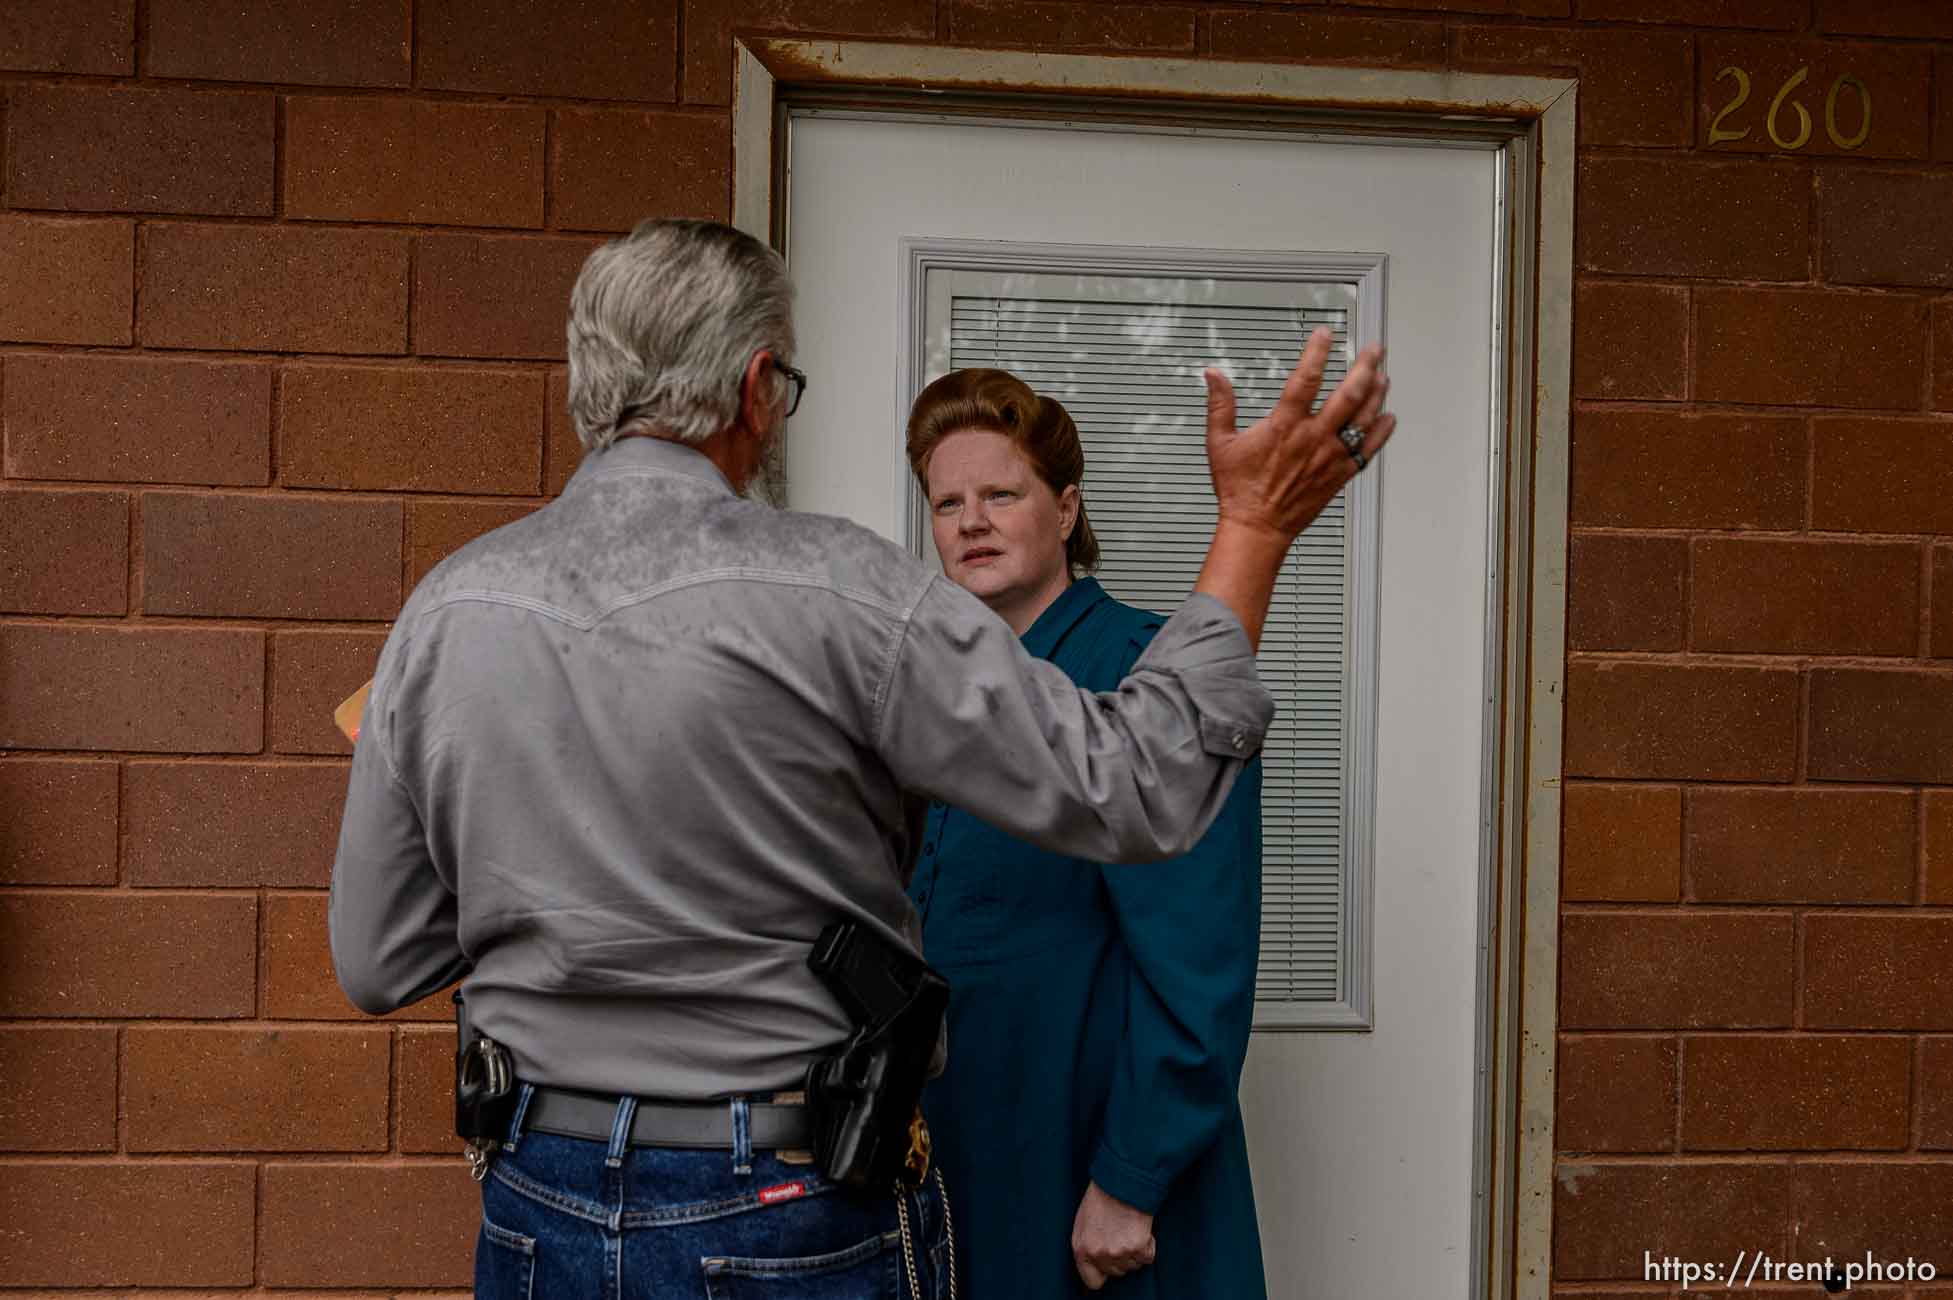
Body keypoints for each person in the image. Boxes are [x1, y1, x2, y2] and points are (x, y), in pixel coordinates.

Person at [328, 218, 1393, 1300]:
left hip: (535, 1189)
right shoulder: (835, 589)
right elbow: (1139, 785)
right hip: (782, 1199)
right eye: (785, 383)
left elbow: (376, 960)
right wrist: (1254, 527)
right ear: (754, 386)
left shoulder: (445, 611)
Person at [905, 369, 1266, 1298]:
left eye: (1000, 494)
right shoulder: (942, 699)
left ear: (1065, 510)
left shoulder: (1138, 679)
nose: (970, 521)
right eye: (947, 503)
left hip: (1093, 1171)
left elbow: (1199, 964)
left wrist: (1130, 1179)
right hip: (970, 1154)